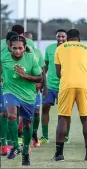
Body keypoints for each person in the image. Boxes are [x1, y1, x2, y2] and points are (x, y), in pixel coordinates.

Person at [52, 29, 87, 161]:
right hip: (84, 85)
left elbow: (58, 73)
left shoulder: (60, 48)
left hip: (67, 84)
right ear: (79, 39)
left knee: (63, 118)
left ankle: (59, 155)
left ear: (67, 38)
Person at [2, 35, 42, 165]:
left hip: (28, 95)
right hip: (10, 91)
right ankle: (14, 145)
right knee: (12, 116)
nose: (17, 51)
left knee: (27, 124)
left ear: (24, 48)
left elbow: (39, 78)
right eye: (14, 48)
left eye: (20, 48)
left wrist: (25, 75)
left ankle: (25, 151)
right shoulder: (4, 58)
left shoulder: (31, 58)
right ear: (9, 47)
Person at [39, 29, 69, 144]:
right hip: (50, 85)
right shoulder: (50, 48)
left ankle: (65, 135)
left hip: (65, 85)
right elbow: (44, 66)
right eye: (58, 36)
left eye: (63, 37)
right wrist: (42, 81)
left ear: (66, 38)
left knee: (65, 112)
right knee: (45, 107)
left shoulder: (69, 49)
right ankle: (45, 136)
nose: (60, 39)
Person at [24, 32, 46, 147]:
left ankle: (34, 133)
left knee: (36, 112)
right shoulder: (18, 52)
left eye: (31, 39)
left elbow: (42, 70)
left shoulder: (37, 53)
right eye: (27, 39)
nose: (29, 42)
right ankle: (20, 137)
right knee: (20, 114)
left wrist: (42, 84)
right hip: (21, 88)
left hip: (35, 88)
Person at [0, 31, 19, 156]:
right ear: (8, 43)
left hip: (19, 88)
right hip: (4, 87)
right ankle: (4, 145)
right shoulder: (2, 54)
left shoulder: (24, 53)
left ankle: (14, 144)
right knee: (4, 113)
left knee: (14, 115)